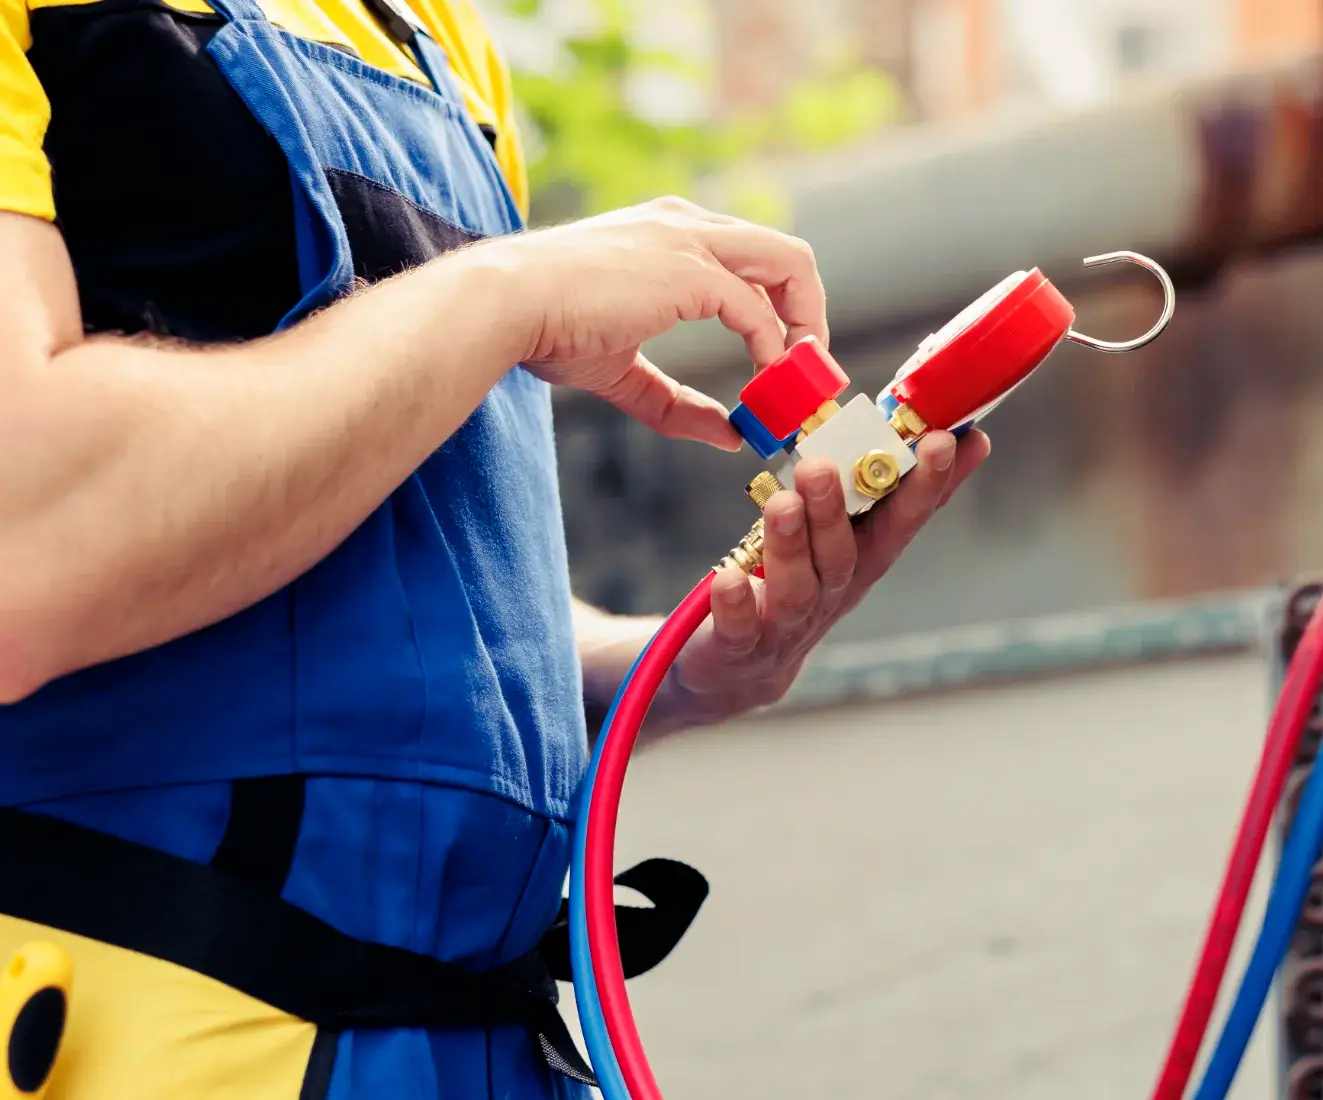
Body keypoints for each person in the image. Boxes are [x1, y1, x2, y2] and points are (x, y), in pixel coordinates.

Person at [0, 0, 990, 1093]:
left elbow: (426, 629)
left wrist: (685, 664)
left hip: (485, 1054)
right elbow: (23, 544)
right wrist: (510, 292)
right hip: (142, 1025)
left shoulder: (432, 36)